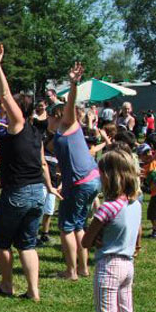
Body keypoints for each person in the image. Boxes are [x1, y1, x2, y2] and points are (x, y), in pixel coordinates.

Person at [0, 44, 60, 301]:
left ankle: (7, 285)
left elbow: (5, 94)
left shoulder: (18, 124)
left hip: (18, 193)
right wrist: (49, 188)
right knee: (27, 244)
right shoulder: (35, 133)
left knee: (1, 242)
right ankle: (33, 291)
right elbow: (42, 163)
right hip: (37, 193)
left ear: (18, 109)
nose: (3, 105)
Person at [77, 149, 142, 312]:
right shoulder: (135, 204)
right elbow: (137, 235)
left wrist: (96, 238)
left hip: (109, 267)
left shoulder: (107, 207)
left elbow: (85, 241)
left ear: (108, 176)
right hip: (128, 265)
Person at [53, 62, 101, 281]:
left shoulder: (67, 125)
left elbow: (70, 105)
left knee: (66, 227)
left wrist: (73, 84)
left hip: (81, 183)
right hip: (91, 180)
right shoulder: (64, 133)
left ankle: (71, 271)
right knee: (79, 224)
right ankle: (83, 268)